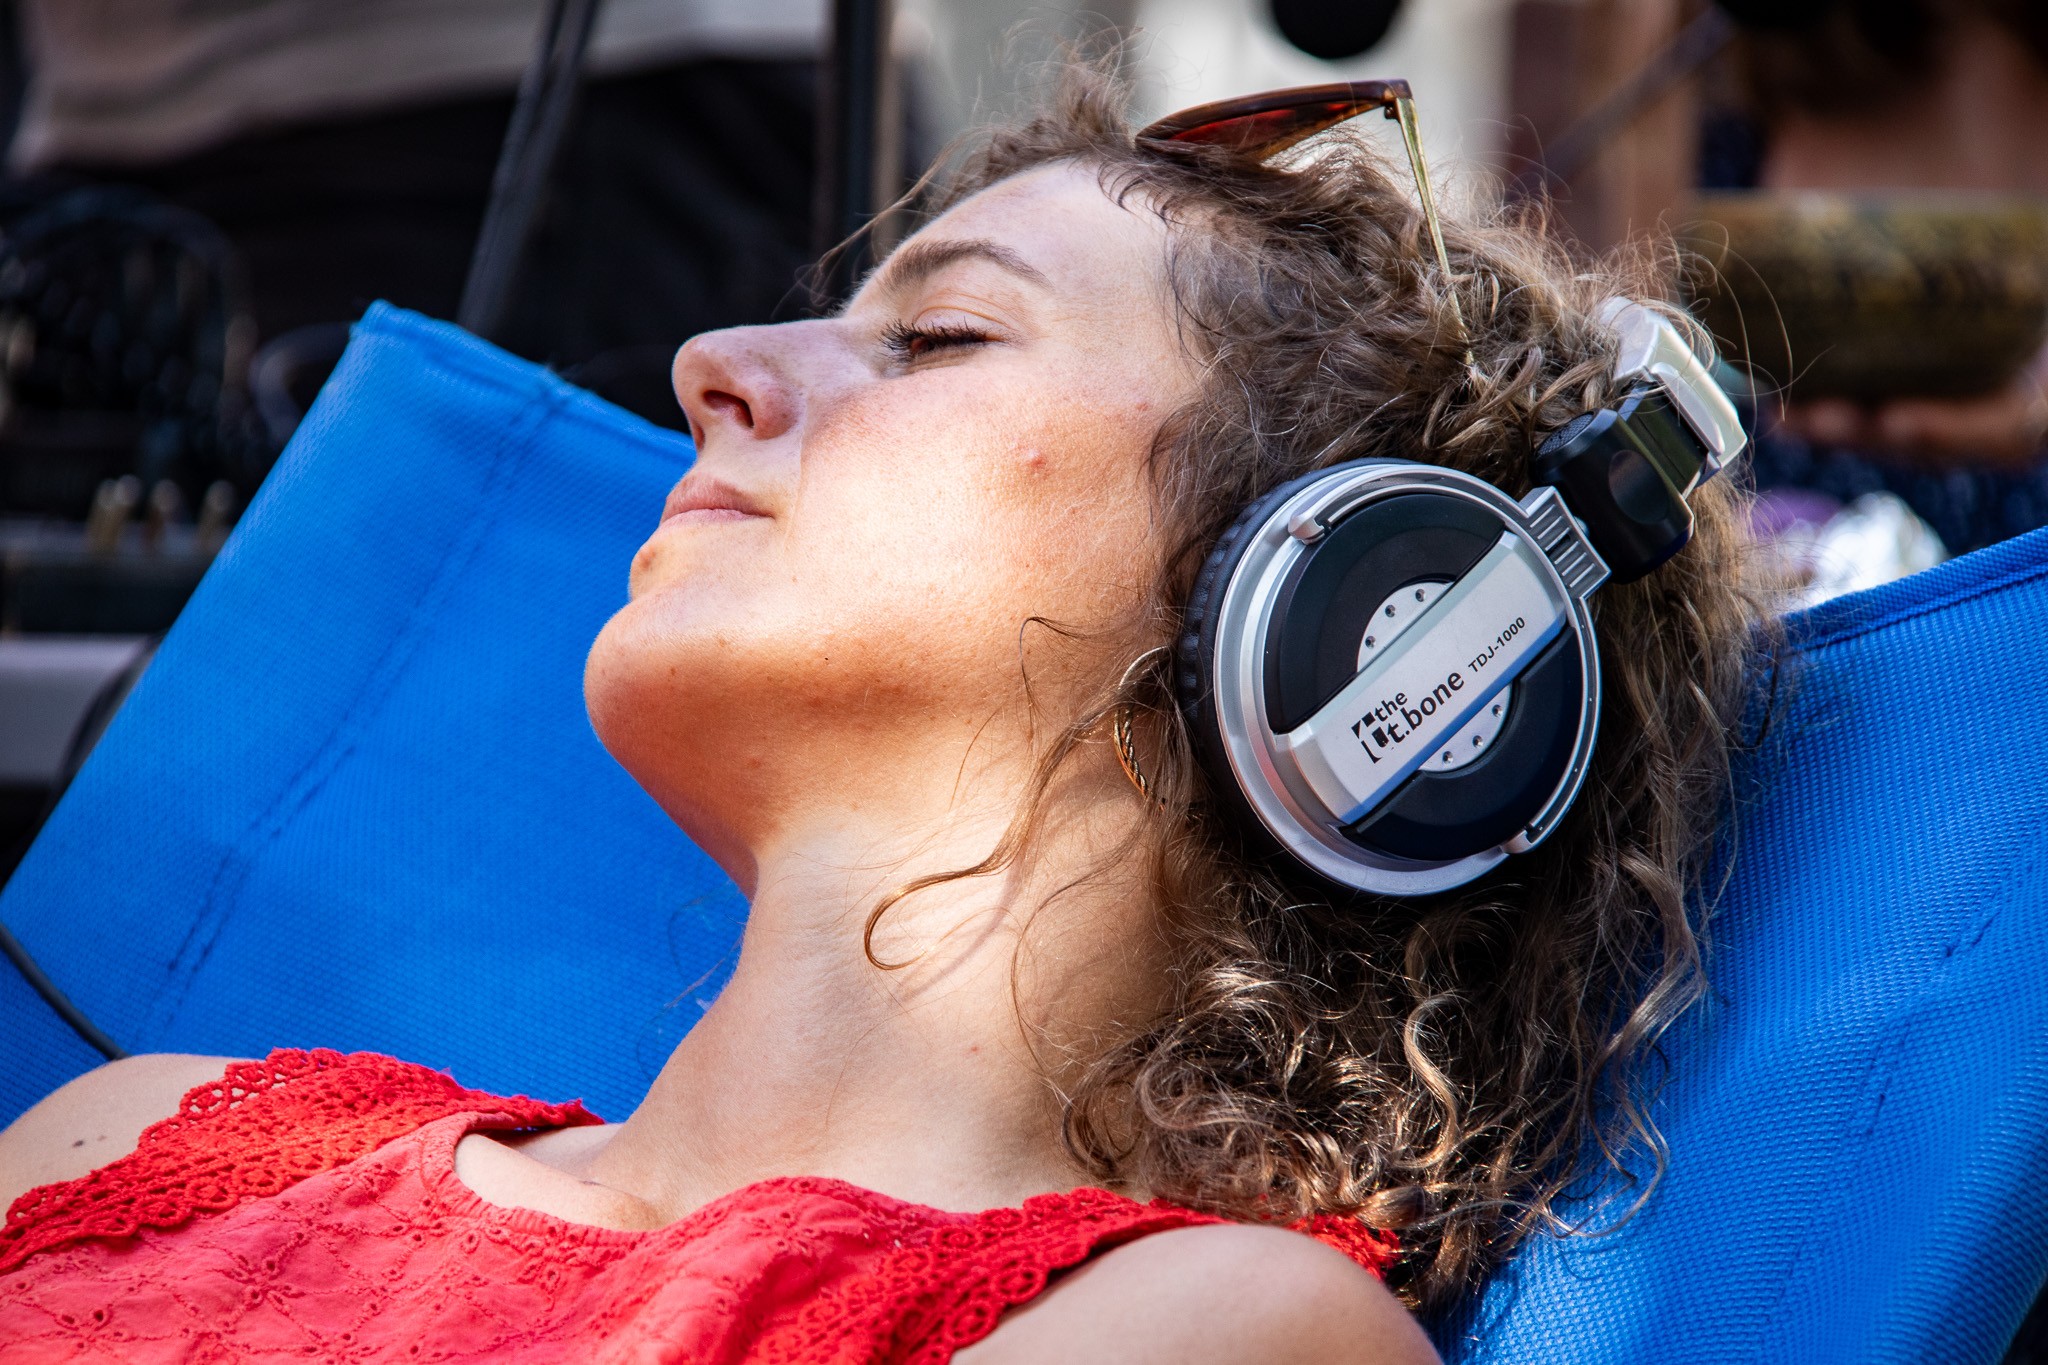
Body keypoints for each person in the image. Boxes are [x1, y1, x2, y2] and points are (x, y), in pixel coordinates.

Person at [0, 59, 1762, 1363]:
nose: (711, 368)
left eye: (942, 339)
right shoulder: (139, 1132)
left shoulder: (1218, 1331)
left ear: (1359, 634)